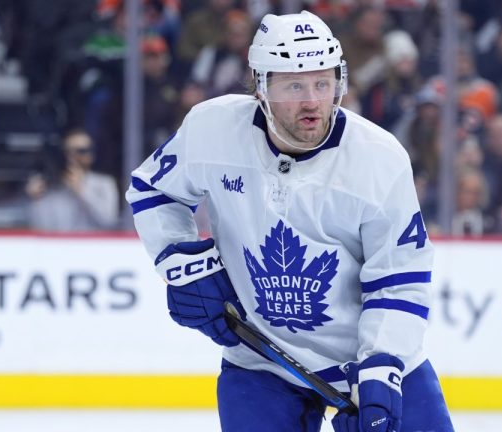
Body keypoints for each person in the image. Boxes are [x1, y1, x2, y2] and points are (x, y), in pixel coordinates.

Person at [126, 11, 453, 432]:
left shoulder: (378, 159)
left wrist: (379, 369)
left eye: (323, 82)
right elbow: (154, 189)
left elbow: (398, 276)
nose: (313, 100)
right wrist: (184, 263)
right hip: (262, 361)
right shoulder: (213, 129)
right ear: (261, 86)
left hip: (366, 364)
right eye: (294, 85)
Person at [27, 129, 119, 231]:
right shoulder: (54, 186)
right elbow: (41, 227)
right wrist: (36, 200)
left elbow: (109, 221)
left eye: (81, 151)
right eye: (68, 151)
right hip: (61, 245)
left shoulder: (104, 183)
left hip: (94, 245)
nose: (74, 157)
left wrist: (82, 191)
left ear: (91, 154)